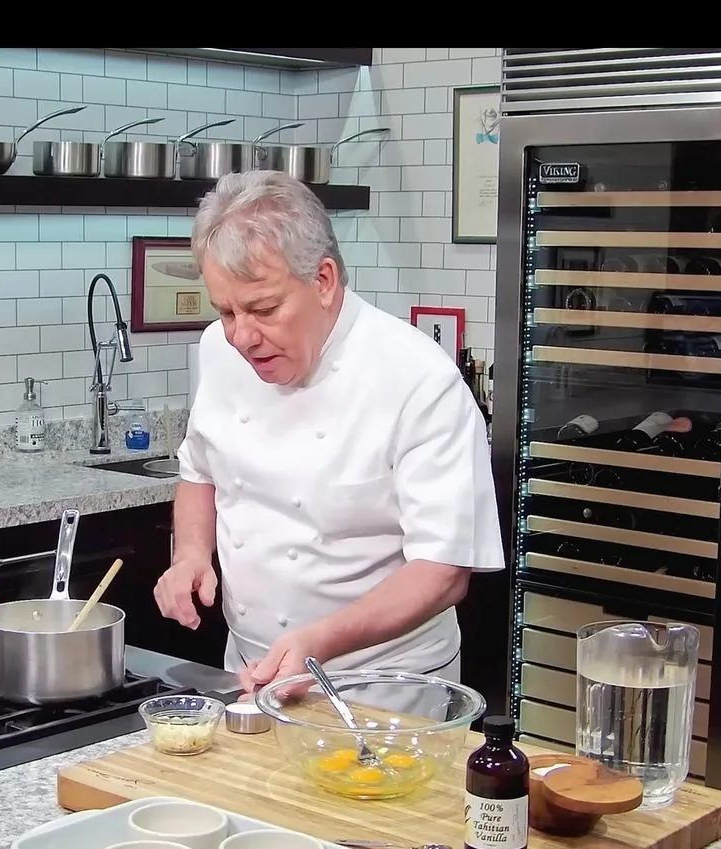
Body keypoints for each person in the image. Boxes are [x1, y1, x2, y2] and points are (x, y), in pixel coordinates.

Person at [153, 169, 504, 714]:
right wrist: (191, 554)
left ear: (323, 280)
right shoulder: (219, 353)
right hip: (249, 676)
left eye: (264, 309)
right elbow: (199, 471)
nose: (242, 335)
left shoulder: (417, 379)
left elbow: (443, 573)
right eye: (226, 311)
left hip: (387, 692)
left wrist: (317, 643)